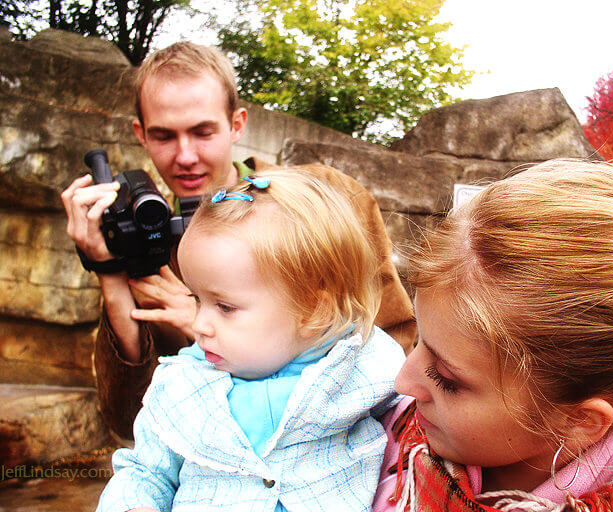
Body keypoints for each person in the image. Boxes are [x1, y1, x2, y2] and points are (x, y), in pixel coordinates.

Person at [60, 41, 416, 440]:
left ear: (237, 123)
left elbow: (397, 354)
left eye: (203, 131)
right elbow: (128, 422)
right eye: (163, 136)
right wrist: (109, 271)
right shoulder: (145, 232)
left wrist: (218, 333)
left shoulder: (326, 199)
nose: (185, 155)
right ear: (140, 135)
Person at [372, 160, 613, 512]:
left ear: (577, 420)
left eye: (446, 378)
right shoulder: (384, 426)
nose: (402, 381)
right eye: (420, 339)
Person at [95, 168, 406, 512]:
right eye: (197, 299)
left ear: (313, 310)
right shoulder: (184, 385)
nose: (199, 324)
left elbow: (416, 440)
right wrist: (128, 510)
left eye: (225, 307)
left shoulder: (367, 367)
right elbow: (144, 470)